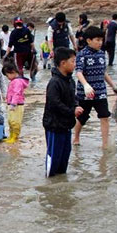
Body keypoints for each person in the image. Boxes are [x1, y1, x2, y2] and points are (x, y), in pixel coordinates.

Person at [73, 26, 117, 149]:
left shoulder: (102, 54)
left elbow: (104, 72)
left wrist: (113, 86)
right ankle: (76, 136)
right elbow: (78, 72)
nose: (100, 43)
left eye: (101, 40)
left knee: (104, 116)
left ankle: (104, 144)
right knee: (82, 118)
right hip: (85, 93)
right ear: (88, 40)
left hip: (101, 91)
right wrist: (86, 85)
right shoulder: (82, 55)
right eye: (97, 40)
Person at [43, 48, 82, 177]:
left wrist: (76, 106)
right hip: (54, 126)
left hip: (66, 125)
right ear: (63, 63)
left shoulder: (70, 81)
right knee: (54, 157)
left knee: (65, 157)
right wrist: (72, 111)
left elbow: (73, 98)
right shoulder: (54, 82)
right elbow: (54, 104)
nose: (75, 64)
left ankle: (61, 184)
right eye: (73, 61)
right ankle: (50, 184)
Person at [2, 62, 29, 143]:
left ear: (13, 72)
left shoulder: (17, 82)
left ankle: (15, 136)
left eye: (7, 75)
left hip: (17, 105)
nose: (7, 78)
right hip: (11, 104)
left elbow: (17, 93)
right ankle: (11, 135)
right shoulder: (14, 81)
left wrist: (13, 103)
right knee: (10, 121)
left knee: (15, 121)